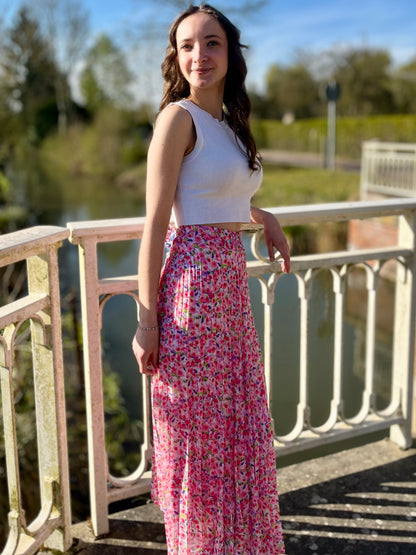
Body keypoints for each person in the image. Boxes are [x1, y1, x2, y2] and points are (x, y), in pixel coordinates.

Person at [132, 3, 289, 553]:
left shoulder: (229, 124)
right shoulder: (177, 119)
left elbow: (219, 197)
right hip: (192, 291)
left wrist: (263, 217)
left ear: (230, 52)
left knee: (231, 430)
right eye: (188, 45)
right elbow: (156, 222)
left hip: (229, 292)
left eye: (212, 42)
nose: (200, 54)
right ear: (176, 58)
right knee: (199, 438)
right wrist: (146, 320)